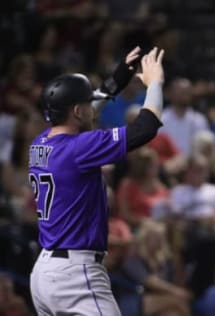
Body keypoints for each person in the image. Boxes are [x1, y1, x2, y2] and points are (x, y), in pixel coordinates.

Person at [28, 46, 166, 315]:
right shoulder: (79, 147)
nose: (93, 109)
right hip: (75, 274)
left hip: (44, 273)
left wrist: (118, 78)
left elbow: (83, 113)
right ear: (78, 111)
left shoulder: (41, 142)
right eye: (86, 104)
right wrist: (155, 83)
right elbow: (145, 128)